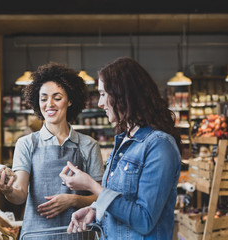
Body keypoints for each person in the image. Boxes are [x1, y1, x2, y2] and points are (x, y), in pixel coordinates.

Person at [60, 57, 182, 239]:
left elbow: (144, 219)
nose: (100, 103)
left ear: (122, 95)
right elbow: (122, 198)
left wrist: (92, 186)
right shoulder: (125, 141)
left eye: (102, 94)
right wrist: (94, 209)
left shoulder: (159, 145)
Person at [0, 62, 104, 239]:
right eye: (43, 98)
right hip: (37, 234)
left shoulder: (88, 145)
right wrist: (7, 190)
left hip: (78, 234)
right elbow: (19, 194)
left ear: (70, 100)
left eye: (57, 98)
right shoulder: (27, 143)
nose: (49, 104)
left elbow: (100, 196)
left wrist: (74, 200)